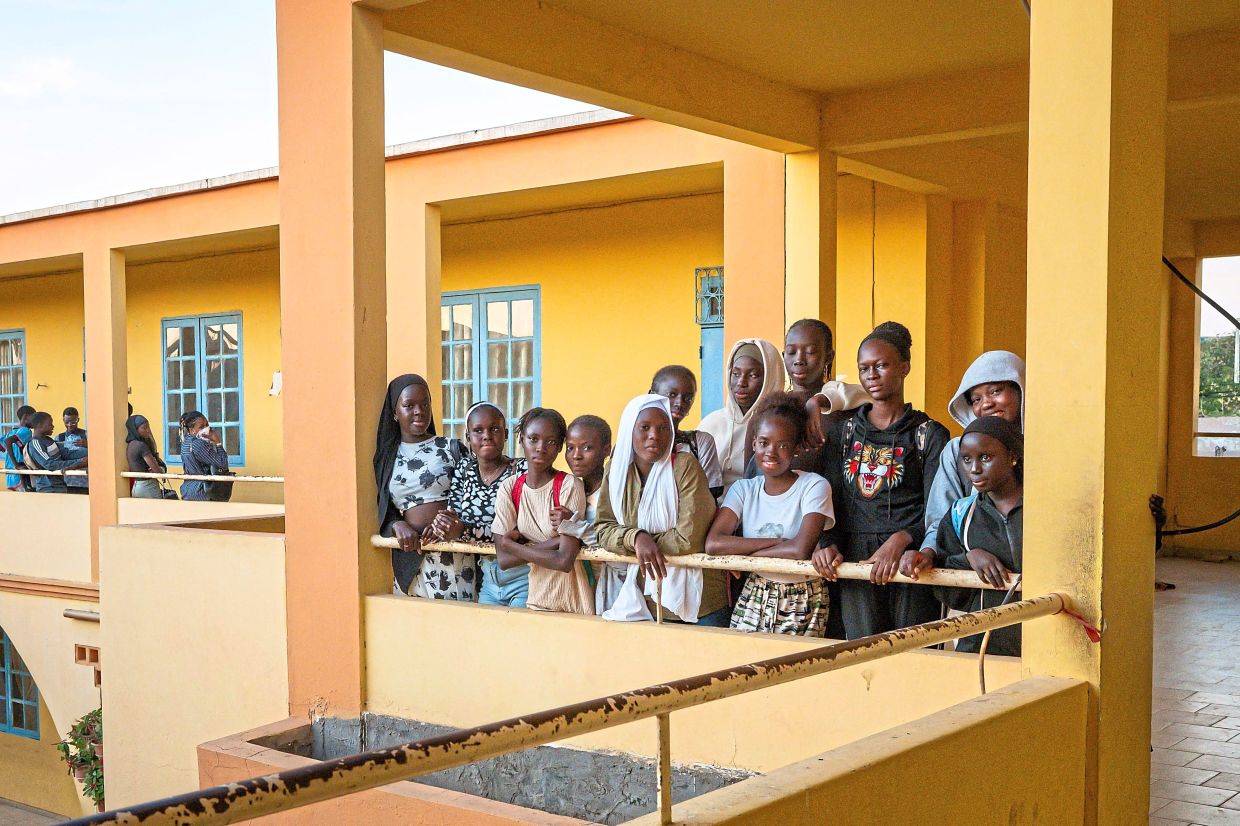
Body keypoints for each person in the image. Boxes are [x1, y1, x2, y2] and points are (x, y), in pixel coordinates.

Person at [811, 321, 949, 639]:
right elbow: (831, 497)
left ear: (904, 367)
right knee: (863, 655)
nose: (871, 375)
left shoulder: (927, 434)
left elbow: (938, 508)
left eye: (882, 365)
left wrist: (902, 539)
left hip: (910, 560)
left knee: (914, 655)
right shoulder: (844, 433)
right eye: (864, 368)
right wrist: (827, 545)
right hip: (855, 559)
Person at [707, 394, 833, 636]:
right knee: (742, 665)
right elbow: (714, 543)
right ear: (754, 444)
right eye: (764, 443)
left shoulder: (814, 486)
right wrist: (778, 542)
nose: (771, 452)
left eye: (783, 445)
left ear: (797, 448)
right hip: (755, 588)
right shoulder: (744, 489)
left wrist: (744, 555)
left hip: (802, 594)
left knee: (795, 669)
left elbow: (800, 551)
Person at [595, 394, 726, 625]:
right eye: (644, 427)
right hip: (644, 601)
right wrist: (636, 538)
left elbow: (688, 539)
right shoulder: (616, 472)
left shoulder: (684, 467)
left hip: (700, 603)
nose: (654, 435)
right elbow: (603, 528)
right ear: (629, 430)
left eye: (663, 428)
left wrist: (644, 543)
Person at [900, 351, 1026, 580]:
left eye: (995, 391)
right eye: (976, 399)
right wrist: (930, 552)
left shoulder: (1046, 449)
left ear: (1020, 388)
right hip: (976, 586)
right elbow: (944, 522)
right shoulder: (956, 451)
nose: (986, 403)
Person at [931, 416, 1023, 656]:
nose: (974, 469)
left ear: (1012, 457)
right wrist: (969, 558)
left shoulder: (1043, 508)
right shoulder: (961, 514)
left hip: (1041, 645)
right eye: (966, 459)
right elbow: (946, 589)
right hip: (981, 648)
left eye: (985, 458)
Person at [372, 374, 467, 597]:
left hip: (454, 554)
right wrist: (396, 525)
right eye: (409, 405)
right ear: (395, 413)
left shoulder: (450, 448)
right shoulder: (387, 458)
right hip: (411, 557)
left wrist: (454, 523)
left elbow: (473, 495)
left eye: (425, 403)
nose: (419, 411)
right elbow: (385, 506)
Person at [492, 408, 592, 614]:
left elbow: (564, 560)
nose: (541, 448)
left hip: (572, 599)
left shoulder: (568, 486)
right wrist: (554, 542)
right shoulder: (511, 488)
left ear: (559, 447)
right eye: (533, 439)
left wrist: (510, 544)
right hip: (537, 598)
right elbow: (504, 560)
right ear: (521, 439)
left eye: (551, 442)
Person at [429, 401, 524, 603]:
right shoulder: (464, 469)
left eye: (494, 429)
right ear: (468, 438)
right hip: (483, 571)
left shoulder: (520, 471)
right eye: (478, 430)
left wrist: (463, 531)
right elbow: (454, 514)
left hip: (522, 571)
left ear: (506, 434)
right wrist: (443, 524)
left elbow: (518, 531)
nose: (486, 435)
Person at [699, 338, 785, 494]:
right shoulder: (711, 423)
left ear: (769, 378)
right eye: (736, 373)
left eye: (752, 375)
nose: (741, 382)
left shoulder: (780, 427)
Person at [556, 415, 619, 611]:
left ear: (606, 450)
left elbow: (614, 540)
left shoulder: (614, 492)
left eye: (587, 448)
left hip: (613, 587)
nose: (576, 455)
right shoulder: (572, 489)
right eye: (571, 448)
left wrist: (573, 527)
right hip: (580, 586)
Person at [783, 319, 870, 447]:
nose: (799, 360)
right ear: (783, 355)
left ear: (829, 357)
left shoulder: (845, 407)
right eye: (791, 352)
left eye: (810, 352)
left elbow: (867, 396)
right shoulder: (775, 408)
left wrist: (818, 400)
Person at [650, 365, 723, 498]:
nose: (680, 403)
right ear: (652, 395)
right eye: (672, 395)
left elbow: (710, 495)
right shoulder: (633, 443)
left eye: (688, 398)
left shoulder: (699, 443)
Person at [25, 411, 88, 493]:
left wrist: (92, 452)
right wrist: (79, 462)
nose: (53, 426)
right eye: (50, 424)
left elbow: (68, 454)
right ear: (40, 425)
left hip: (61, 485)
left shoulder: (49, 440)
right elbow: (49, 464)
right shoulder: (35, 443)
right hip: (48, 488)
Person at [178, 411, 232, 502]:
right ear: (192, 430)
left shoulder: (185, 442)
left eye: (207, 425)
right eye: (201, 427)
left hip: (188, 490)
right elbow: (223, 463)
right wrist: (217, 442)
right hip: (202, 492)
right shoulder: (198, 444)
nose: (207, 429)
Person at [125, 414, 168, 498]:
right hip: (148, 486)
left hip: (137, 486)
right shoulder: (141, 446)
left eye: (148, 427)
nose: (148, 430)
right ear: (135, 430)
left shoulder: (130, 445)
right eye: (144, 428)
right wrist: (161, 469)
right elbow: (157, 470)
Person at [4, 405, 35, 491]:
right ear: (26, 417)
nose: (35, 421)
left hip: (10, 475)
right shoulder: (26, 431)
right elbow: (8, 441)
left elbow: (4, 443)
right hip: (19, 474)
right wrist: (16, 465)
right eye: (34, 417)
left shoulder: (11, 432)